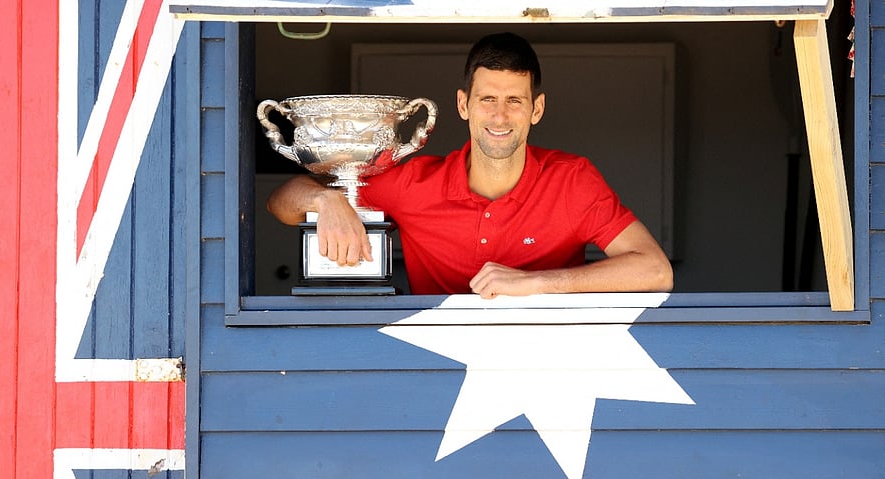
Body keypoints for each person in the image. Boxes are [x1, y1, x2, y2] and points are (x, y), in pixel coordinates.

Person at [266, 32, 673, 298]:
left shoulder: (572, 180)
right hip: (437, 370)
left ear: (537, 109)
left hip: (549, 366)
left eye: (515, 100)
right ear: (464, 104)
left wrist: (535, 283)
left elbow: (656, 271)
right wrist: (328, 201)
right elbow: (281, 202)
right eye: (487, 100)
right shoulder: (414, 182)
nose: (500, 116)